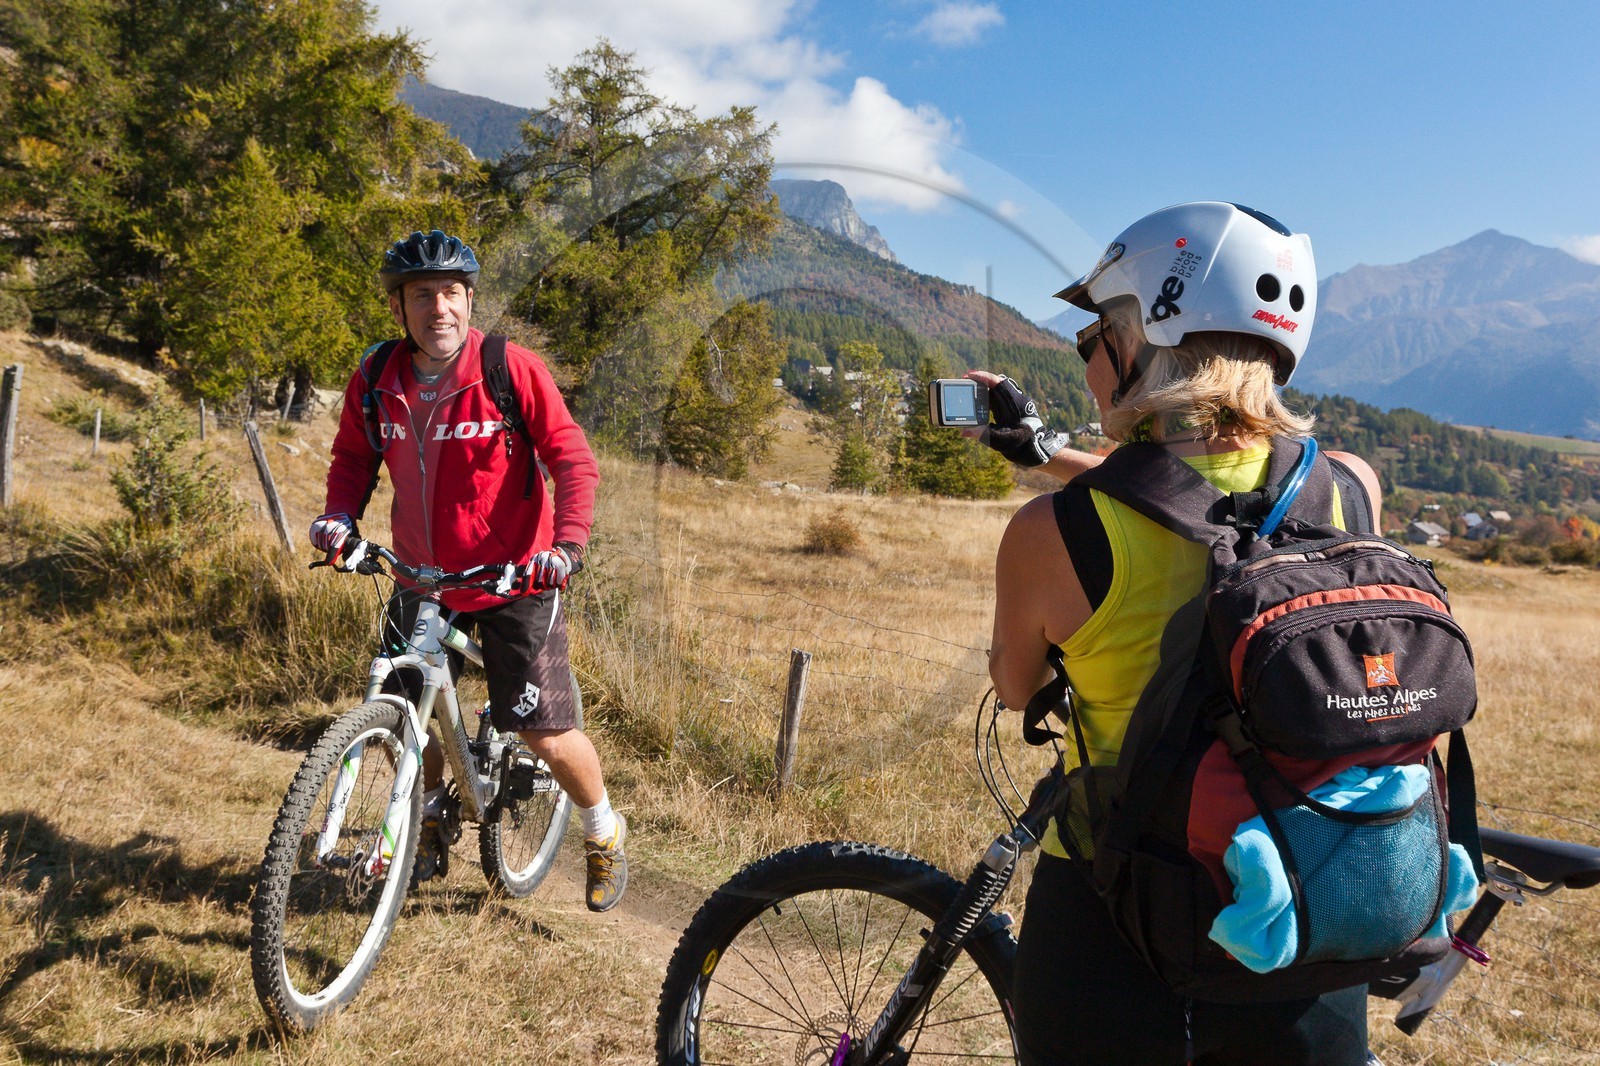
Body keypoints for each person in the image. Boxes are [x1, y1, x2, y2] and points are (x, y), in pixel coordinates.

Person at [977, 202, 1384, 1064]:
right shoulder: (1349, 489)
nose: (1086, 356)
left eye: (1093, 334)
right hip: (1309, 907)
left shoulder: (1052, 534)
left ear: (1141, 339)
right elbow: (1219, 504)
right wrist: (1043, 452)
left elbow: (1015, 689)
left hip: (1116, 904)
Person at [310, 229, 628, 912]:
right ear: (400, 307)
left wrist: (564, 549)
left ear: (469, 299)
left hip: (517, 576)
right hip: (421, 577)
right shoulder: (376, 378)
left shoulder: (509, 370)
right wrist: (339, 517)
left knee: (541, 729)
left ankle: (603, 829)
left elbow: (572, 460)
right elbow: (351, 461)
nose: (439, 308)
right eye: (422, 295)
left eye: (451, 292)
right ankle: (427, 813)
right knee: (401, 713)